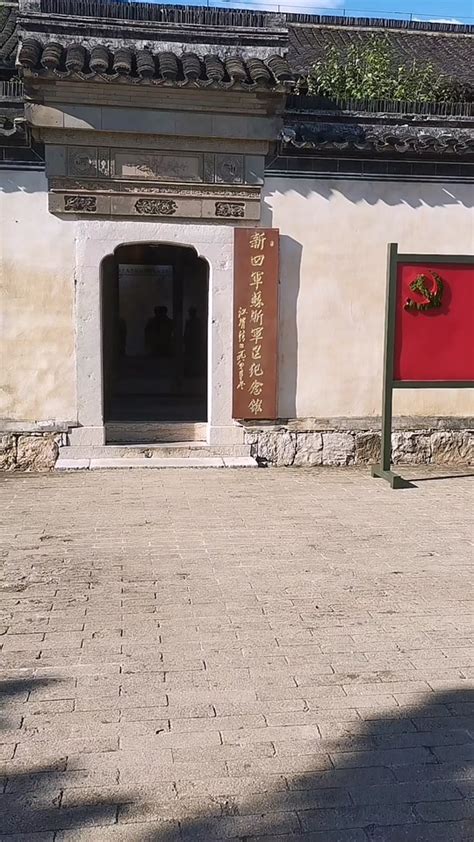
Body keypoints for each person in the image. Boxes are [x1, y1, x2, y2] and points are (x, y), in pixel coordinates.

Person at [184, 307, 202, 376]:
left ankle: (194, 372)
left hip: (194, 341)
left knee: (194, 358)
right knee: (191, 357)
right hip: (192, 341)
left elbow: (186, 332)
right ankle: (191, 372)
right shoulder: (192, 322)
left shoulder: (193, 322)